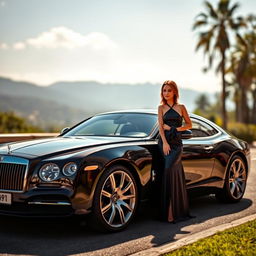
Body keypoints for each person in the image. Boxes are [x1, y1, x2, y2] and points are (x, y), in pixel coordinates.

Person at [158, 80, 193, 223]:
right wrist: (165, 143)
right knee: (168, 172)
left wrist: (175, 129)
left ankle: (174, 211)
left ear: (174, 92)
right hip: (165, 144)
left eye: (169, 90)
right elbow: (160, 127)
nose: (166, 93)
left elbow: (189, 124)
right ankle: (168, 212)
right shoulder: (161, 108)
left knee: (170, 170)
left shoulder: (181, 107)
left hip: (177, 144)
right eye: (164, 90)